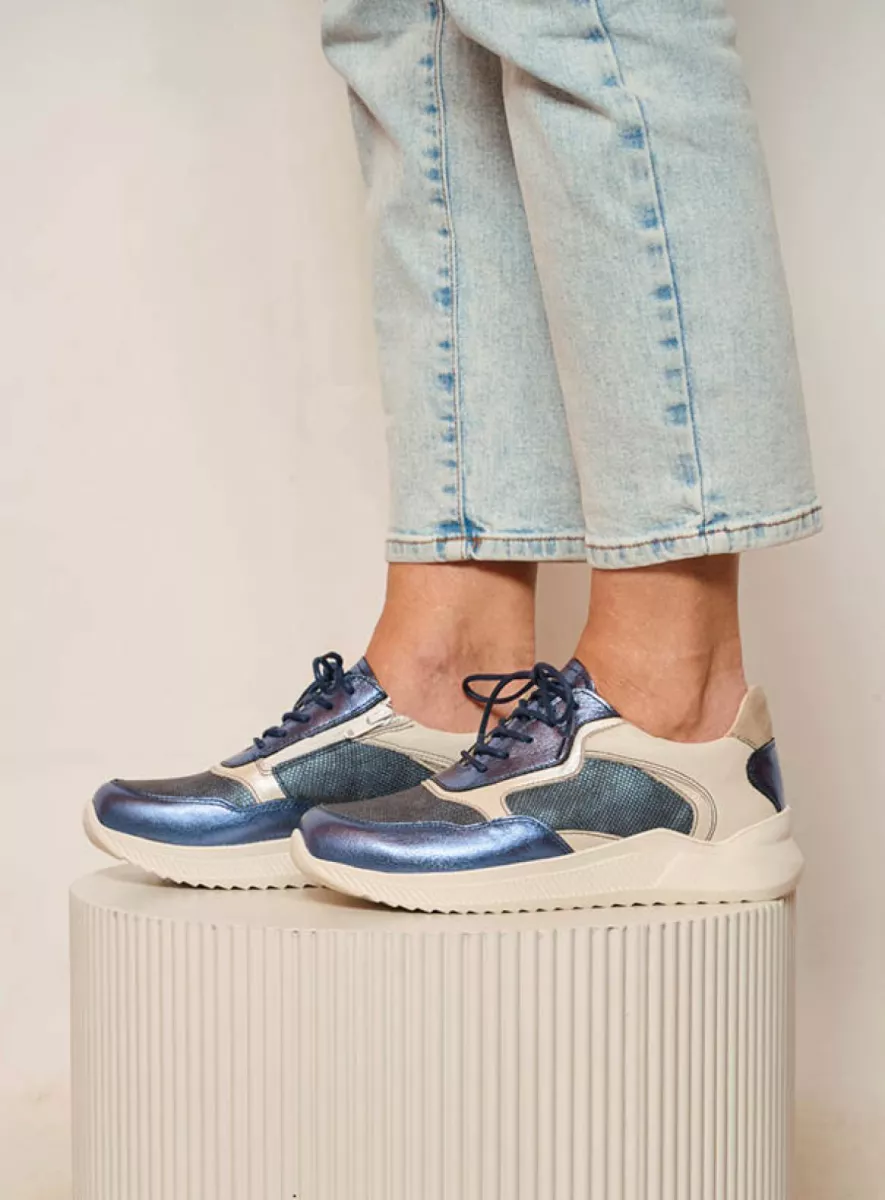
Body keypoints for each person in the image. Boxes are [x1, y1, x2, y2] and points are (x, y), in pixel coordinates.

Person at [86, 0, 818, 910]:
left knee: (585, 20)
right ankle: (446, 665)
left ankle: (678, 700)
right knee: (411, 44)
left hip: (681, 716)